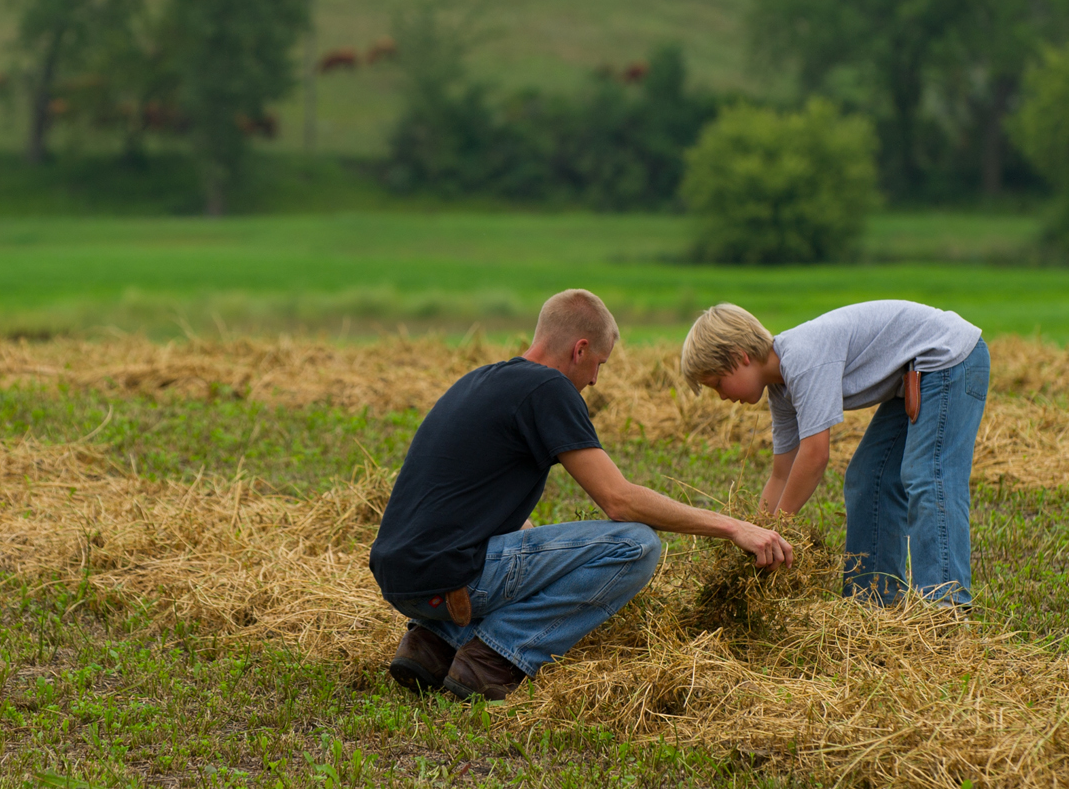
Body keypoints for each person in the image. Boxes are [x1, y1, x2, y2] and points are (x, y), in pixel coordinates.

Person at [370, 288, 794, 701]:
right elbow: (619, 500)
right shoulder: (548, 389)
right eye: (599, 364)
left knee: (539, 541)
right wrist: (734, 526)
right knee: (635, 545)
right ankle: (493, 657)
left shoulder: (481, 380)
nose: (594, 379)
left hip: (401, 578)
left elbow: (469, 495)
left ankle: (434, 643)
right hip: (450, 579)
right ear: (580, 349)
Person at [679, 301, 988, 609]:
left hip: (947, 359)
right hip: (913, 372)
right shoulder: (781, 389)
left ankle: (944, 610)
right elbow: (781, 474)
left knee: (927, 474)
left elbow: (815, 456)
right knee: (869, 477)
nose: (721, 396)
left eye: (717, 383)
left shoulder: (802, 358)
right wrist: (756, 531)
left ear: (740, 357)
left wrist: (775, 532)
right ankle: (871, 604)